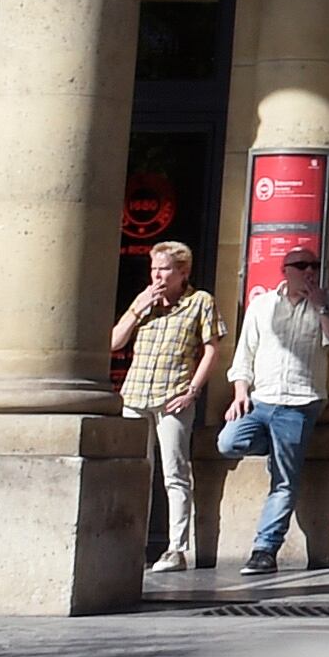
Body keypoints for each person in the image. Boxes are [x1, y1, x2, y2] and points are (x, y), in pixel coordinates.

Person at [218, 244, 329, 577]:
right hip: (261, 400)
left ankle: (265, 550)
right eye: (301, 266)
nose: (309, 272)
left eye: (314, 266)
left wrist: (322, 310)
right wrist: (239, 393)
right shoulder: (262, 305)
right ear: (285, 271)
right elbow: (244, 354)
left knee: (284, 480)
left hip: (299, 402)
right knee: (228, 442)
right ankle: (276, 446)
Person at [108, 241, 221, 575]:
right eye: (154, 268)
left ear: (182, 272)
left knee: (174, 472)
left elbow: (211, 350)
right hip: (136, 394)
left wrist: (193, 391)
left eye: (165, 268)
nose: (157, 274)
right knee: (136, 471)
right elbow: (114, 343)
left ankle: (176, 548)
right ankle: (133, 544)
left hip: (173, 395)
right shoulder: (145, 302)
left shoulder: (200, 302)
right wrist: (137, 309)